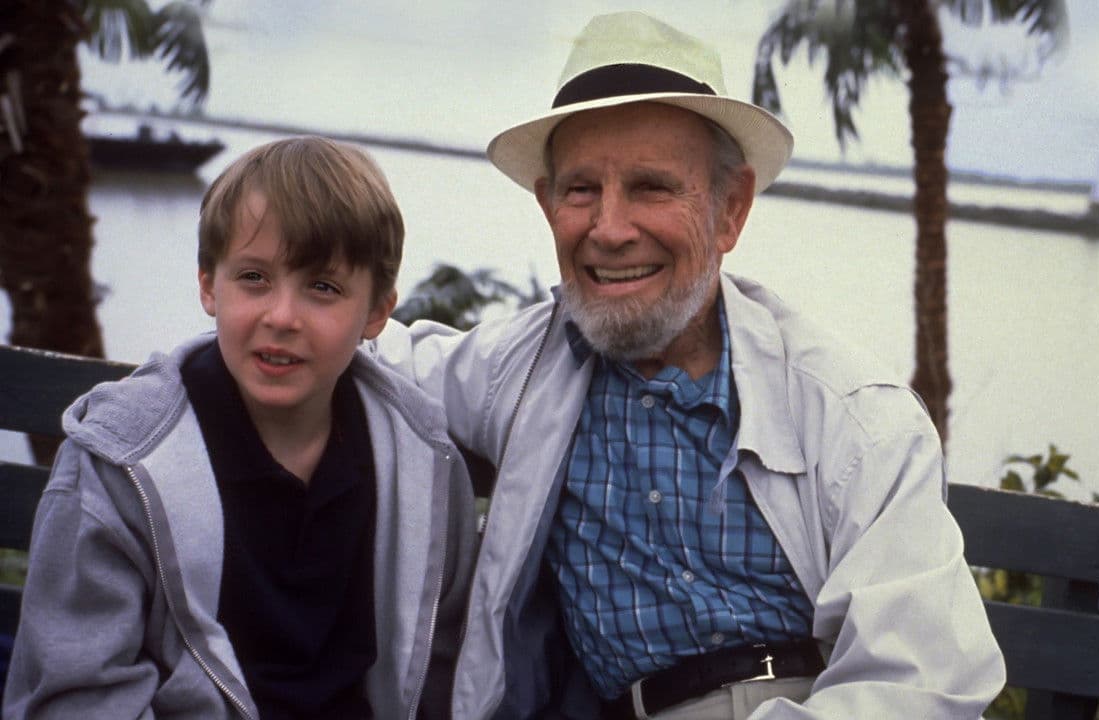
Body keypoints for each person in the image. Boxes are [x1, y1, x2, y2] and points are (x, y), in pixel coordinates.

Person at [375, 11, 1004, 719]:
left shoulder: (855, 418)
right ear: (549, 206)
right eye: (581, 190)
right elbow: (356, 347)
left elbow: (917, 683)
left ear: (731, 210)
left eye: (651, 187)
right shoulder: (517, 369)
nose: (610, 229)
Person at [3, 137, 475, 719]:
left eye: (323, 287)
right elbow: (79, 698)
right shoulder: (121, 464)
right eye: (254, 277)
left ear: (377, 312)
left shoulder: (422, 465)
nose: (282, 316)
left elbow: (441, 675)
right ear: (208, 285)